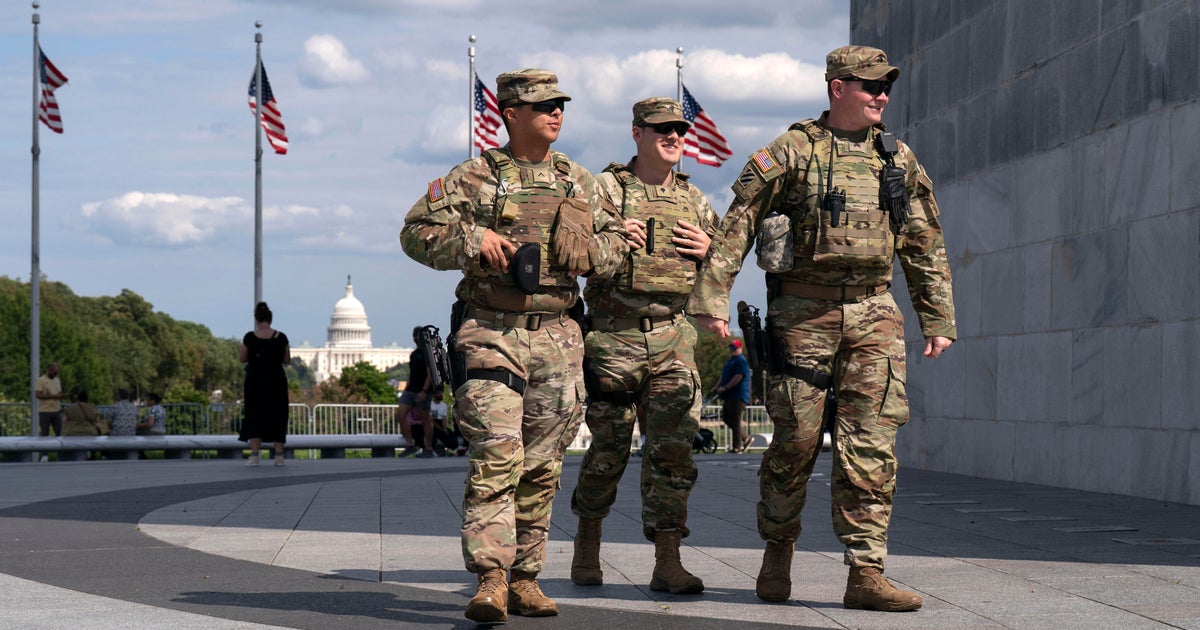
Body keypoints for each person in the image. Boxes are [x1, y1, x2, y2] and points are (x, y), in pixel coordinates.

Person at [686, 46, 956, 612]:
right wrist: (712, 296)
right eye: (870, 86)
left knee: (872, 445)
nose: (881, 95)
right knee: (795, 443)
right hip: (802, 316)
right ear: (838, 88)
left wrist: (937, 317)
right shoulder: (792, 150)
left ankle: (866, 572)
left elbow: (923, 240)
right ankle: (777, 552)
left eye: (886, 87)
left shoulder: (896, 157)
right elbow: (739, 223)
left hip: (874, 314)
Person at [400, 68, 632, 623]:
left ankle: (526, 578)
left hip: (558, 335)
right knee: (497, 454)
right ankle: (491, 578)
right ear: (510, 113)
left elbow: (621, 243)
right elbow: (414, 232)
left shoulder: (580, 181)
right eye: (543, 106)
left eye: (560, 105)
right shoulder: (474, 177)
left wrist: (594, 252)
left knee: (542, 465)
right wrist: (471, 238)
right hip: (489, 332)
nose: (556, 113)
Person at [570, 97, 718, 595]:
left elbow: (724, 261)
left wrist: (710, 251)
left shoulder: (694, 199)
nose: (674, 137)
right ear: (637, 134)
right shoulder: (604, 189)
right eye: (661, 129)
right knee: (608, 450)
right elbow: (575, 254)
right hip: (613, 338)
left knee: (674, 452)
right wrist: (611, 239)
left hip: (673, 337)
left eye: (680, 129)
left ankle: (668, 561)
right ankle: (587, 542)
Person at [239, 302, 291, 467]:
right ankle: (279, 456)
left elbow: (242, 358)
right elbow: (287, 359)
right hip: (276, 381)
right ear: (270, 319)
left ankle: (255, 456)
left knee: (254, 415)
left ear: (256, 319)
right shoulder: (281, 337)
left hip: (255, 381)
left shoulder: (249, 337)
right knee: (278, 415)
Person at [396, 326, 435, 458]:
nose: (415, 338)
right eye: (414, 335)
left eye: (417, 335)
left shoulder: (428, 353)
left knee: (425, 419)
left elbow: (430, 374)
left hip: (422, 391)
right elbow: (411, 374)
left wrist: (424, 391)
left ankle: (428, 448)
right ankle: (410, 445)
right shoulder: (414, 354)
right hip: (411, 390)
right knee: (400, 415)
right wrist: (405, 390)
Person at [714, 339, 753, 453]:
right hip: (729, 395)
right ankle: (746, 438)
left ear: (740, 348)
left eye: (734, 348)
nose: (732, 350)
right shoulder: (730, 361)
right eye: (731, 347)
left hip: (738, 395)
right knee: (726, 418)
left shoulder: (741, 361)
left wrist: (726, 387)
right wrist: (716, 386)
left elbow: (738, 377)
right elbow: (723, 376)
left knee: (735, 420)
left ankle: (737, 446)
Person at [35, 363, 66, 437]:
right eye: (54, 373)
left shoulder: (57, 380)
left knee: (60, 433)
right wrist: (52, 396)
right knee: (45, 434)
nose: (55, 375)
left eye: (57, 373)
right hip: (45, 411)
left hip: (56, 410)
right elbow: (37, 395)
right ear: (49, 370)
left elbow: (58, 392)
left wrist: (62, 396)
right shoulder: (41, 380)